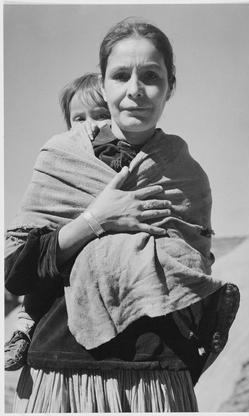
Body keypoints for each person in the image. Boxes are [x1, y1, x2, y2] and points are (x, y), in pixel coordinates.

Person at [5, 18, 239, 413]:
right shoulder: (60, 158)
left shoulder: (186, 176)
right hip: (63, 376)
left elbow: (193, 274)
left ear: (170, 87)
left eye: (151, 76)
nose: (135, 90)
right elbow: (18, 272)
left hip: (159, 377)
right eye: (120, 75)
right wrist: (97, 218)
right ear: (105, 83)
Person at [5, 72, 112, 371]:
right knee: (42, 285)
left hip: (104, 266)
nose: (91, 124)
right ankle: (23, 331)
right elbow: (39, 209)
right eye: (78, 118)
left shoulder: (126, 157)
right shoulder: (59, 158)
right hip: (56, 255)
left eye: (102, 115)